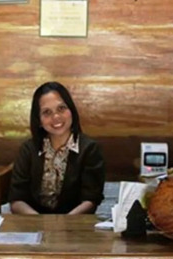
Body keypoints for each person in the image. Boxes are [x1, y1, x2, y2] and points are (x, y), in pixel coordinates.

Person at [9, 82, 105, 214]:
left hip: (74, 223)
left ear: (71, 110)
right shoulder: (28, 149)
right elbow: (17, 199)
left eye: (61, 108)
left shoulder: (89, 149)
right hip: (34, 222)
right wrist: (39, 222)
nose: (56, 117)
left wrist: (64, 223)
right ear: (39, 120)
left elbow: (91, 200)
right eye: (47, 112)